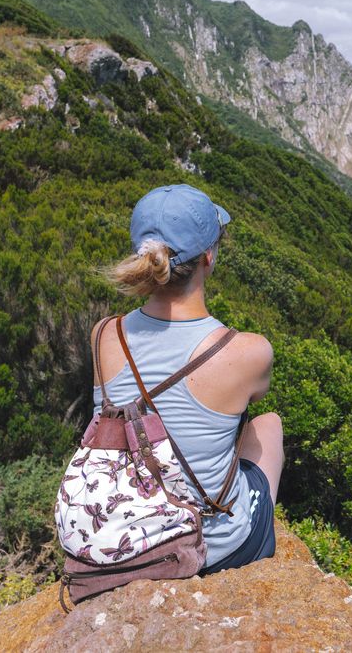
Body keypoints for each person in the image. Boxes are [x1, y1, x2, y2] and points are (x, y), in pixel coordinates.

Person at [93, 184, 283, 574]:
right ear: (208, 257)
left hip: (123, 539)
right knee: (269, 424)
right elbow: (256, 398)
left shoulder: (104, 334)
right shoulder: (248, 351)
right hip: (208, 550)